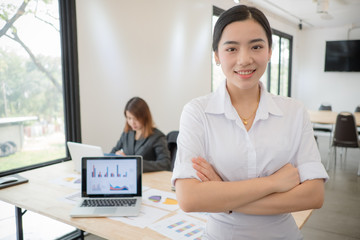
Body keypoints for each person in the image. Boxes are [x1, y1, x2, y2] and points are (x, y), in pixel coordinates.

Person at [171, 5, 329, 240]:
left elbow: (314, 196)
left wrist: (223, 195)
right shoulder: (197, 112)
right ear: (216, 55)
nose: (244, 59)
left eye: (256, 46)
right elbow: (189, 199)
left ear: (269, 51)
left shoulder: (294, 112)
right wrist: (274, 182)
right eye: (231, 48)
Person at [110, 97, 171, 172]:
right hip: (127, 175)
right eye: (129, 118)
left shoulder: (158, 137)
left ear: (144, 117)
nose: (132, 122)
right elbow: (114, 150)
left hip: (148, 180)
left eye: (135, 118)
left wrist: (133, 162)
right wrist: (116, 156)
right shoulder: (128, 133)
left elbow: (165, 164)